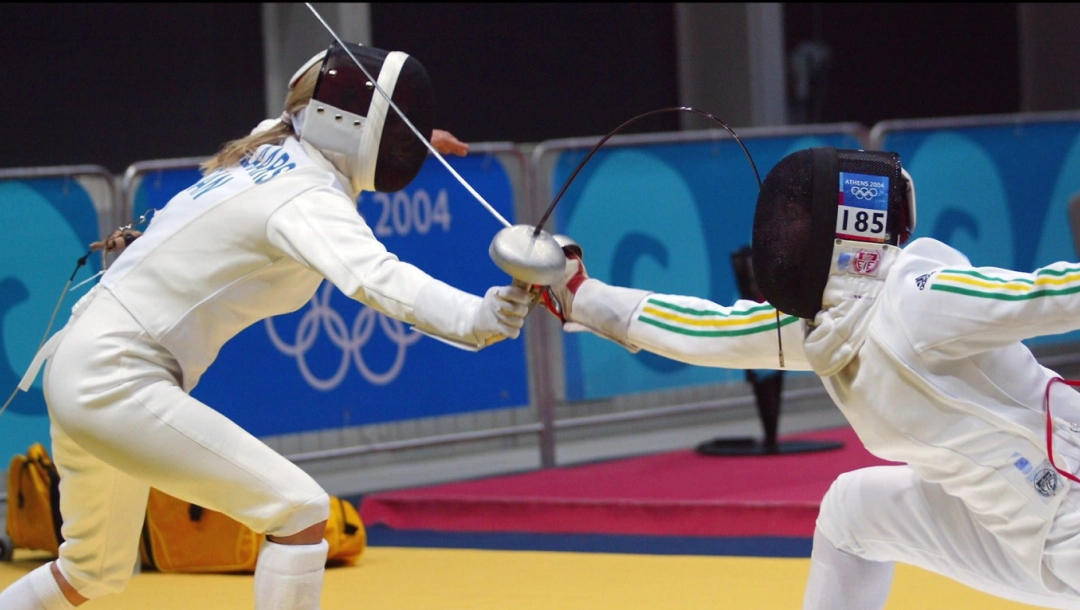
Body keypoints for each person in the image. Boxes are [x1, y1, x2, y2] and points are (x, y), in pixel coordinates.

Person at [1, 42, 531, 610]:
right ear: (349, 128)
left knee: (90, 573)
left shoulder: (273, 147)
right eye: (395, 130)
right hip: (114, 378)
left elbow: (301, 121)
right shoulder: (305, 196)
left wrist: (414, 140)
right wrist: (481, 318)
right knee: (299, 511)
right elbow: (378, 278)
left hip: (83, 363)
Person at [543, 146, 1080, 609]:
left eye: (798, 222)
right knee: (854, 513)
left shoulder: (924, 299)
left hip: (1069, 517)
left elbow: (1052, 292)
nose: (788, 234)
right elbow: (704, 329)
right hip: (1017, 535)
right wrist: (577, 293)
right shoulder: (825, 328)